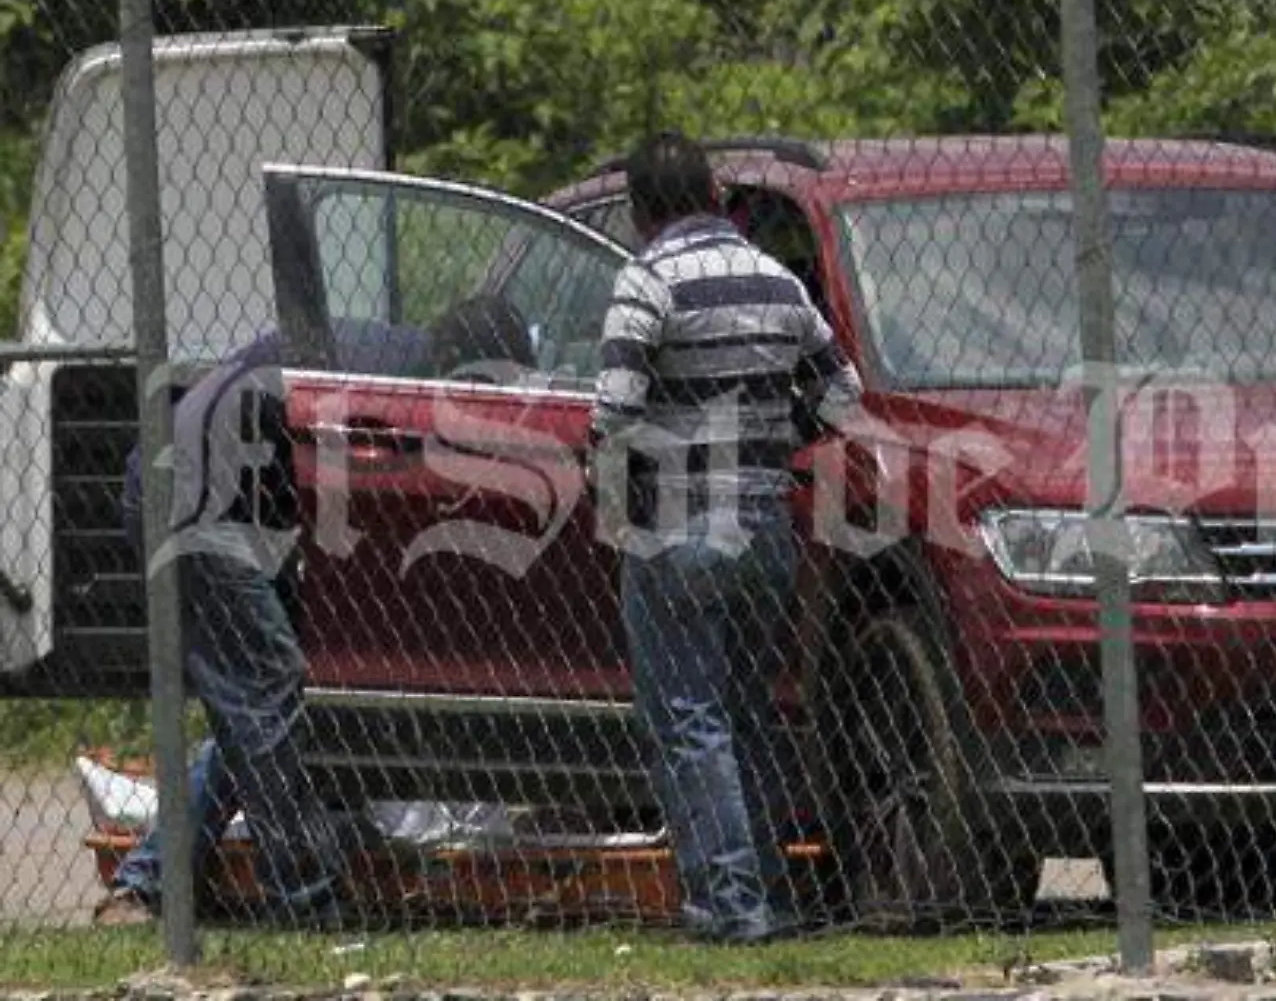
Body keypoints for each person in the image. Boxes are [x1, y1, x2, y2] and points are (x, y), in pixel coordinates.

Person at [93, 295, 537, 929]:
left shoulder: (401, 369)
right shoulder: (397, 395)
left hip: (229, 505)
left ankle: (153, 874)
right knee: (268, 691)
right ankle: (306, 901)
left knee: (259, 709)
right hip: (194, 506)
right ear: (467, 372)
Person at [591, 131, 863, 944]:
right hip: (765, 525)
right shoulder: (775, 277)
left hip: (676, 528)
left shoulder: (646, 280)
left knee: (689, 716)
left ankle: (729, 904)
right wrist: (777, 443)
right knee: (746, 712)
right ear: (715, 198)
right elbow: (842, 396)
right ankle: (773, 892)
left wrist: (616, 511)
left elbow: (612, 412)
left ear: (641, 211)